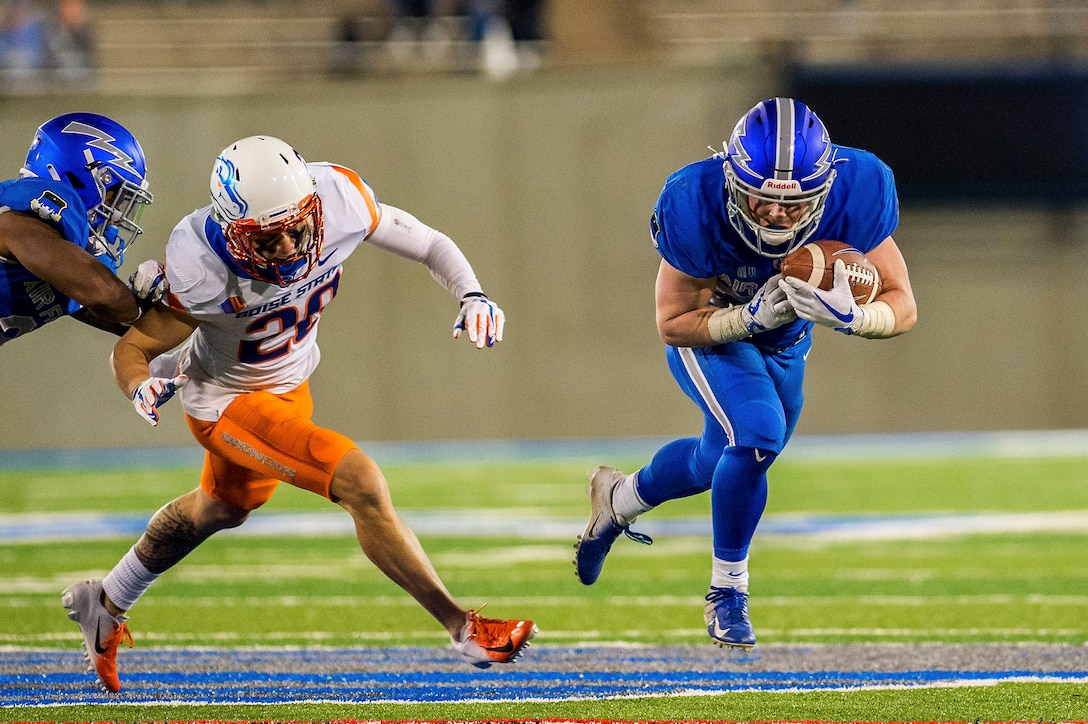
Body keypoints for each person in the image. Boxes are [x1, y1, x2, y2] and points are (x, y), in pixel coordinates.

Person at [61, 134, 534, 693]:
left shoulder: (339, 199)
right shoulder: (201, 264)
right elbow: (132, 348)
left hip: (289, 384)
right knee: (358, 480)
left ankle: (107, 601)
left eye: (296, 228)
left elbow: (429, 243)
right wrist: (140, 384)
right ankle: (464, 628)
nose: (287, 245)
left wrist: (472, 295)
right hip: (226, 403)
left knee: (219, 510)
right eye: (267, 237)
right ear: (233, 232)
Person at [573, 97, 917, 650]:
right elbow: (673, 322)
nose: (778, 215)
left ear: (825, 190)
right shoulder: (694, 202)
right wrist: (747, 317)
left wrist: (856, 317)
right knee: (757, 435)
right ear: (733, 181)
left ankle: (620, 498)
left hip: (787, 343)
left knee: (720, 459)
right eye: (761, 199)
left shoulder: (861, 189)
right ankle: (726, 592)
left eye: (796, 202)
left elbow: (903, 304)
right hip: (711, 335)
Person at [1, 112, 160, 346]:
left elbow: (112, 311)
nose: (116, 217)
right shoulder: (18, 221)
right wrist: (132, 306)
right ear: (81, 178)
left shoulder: (55, 252)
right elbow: (105, 294)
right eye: (114, 198)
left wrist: (155, 304)